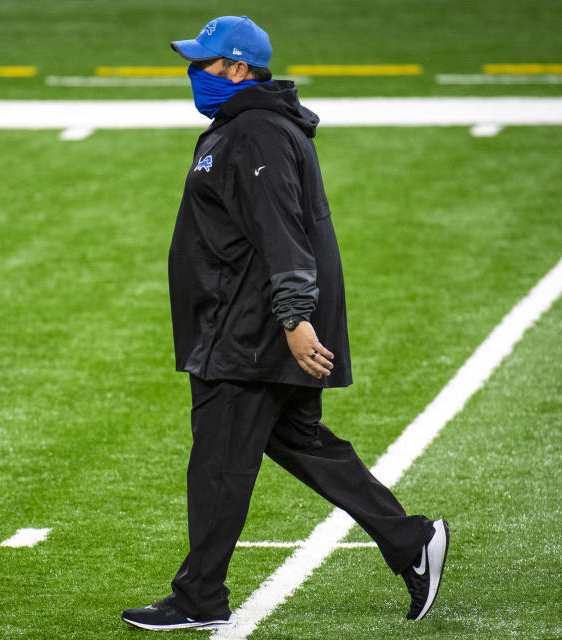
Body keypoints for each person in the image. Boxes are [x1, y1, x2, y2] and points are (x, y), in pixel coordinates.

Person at [121, 16, 450, 631]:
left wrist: (295, 318)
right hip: (252, 322)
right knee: (297, 441)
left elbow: (283, 231)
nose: (194, 73)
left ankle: (198, 599)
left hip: (250, 330)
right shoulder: (247, 128)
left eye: (206, 63)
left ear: (240, 68)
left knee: (219, 459)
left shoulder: (257, 134)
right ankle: (411, 541)